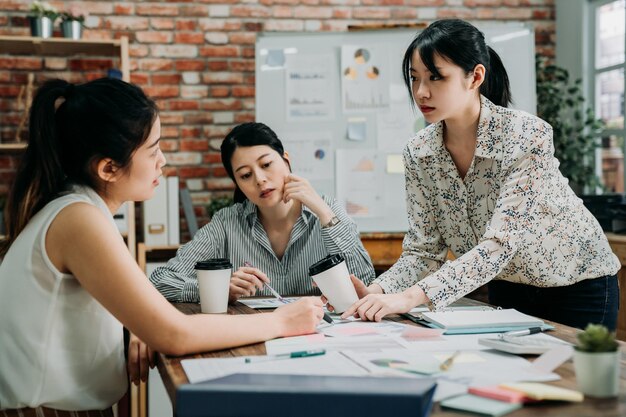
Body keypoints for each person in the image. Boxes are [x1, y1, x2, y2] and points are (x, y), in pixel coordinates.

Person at [0, 79, 324, 414]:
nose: (163, 161)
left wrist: (142, 323)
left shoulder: (75, 209)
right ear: (109, 168)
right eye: (153, 150)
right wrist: (282, 321)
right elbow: (174, 334)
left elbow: (150, 316)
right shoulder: (79, 219)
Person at [335, 19, 621, 331]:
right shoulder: (419, 152)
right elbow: (423, 251)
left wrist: (411, 297)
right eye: (414, 78)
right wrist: (378, 292)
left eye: (436, 77)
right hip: (506, 285)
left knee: (570, 379)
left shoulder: (526, 135)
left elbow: (500, 243)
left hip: (578, 285)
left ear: (475, 77)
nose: (421, 92)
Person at [150, 122, 375, 303]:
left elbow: (365, 284)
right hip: (256, 339)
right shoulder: (227, 223)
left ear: (286, 160)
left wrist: (325, 215)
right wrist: (217, 290)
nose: (260, 180)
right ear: (238, 184)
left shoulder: (327, 211)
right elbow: (160, 281)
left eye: (266, 164)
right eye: (246, 175)